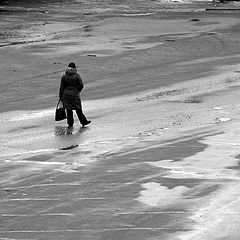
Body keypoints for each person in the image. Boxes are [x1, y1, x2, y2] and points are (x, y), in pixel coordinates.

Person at [59, 62, 91, 127]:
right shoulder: (77, 75)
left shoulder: (64, 76)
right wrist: (77, 90)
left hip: (66, 95)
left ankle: (70, 124)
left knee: (69, 110)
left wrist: (60, 96)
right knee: (78, 109)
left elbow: (61, 87)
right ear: (75, 68)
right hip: (74, 94)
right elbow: (81, 85)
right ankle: (83, 121)